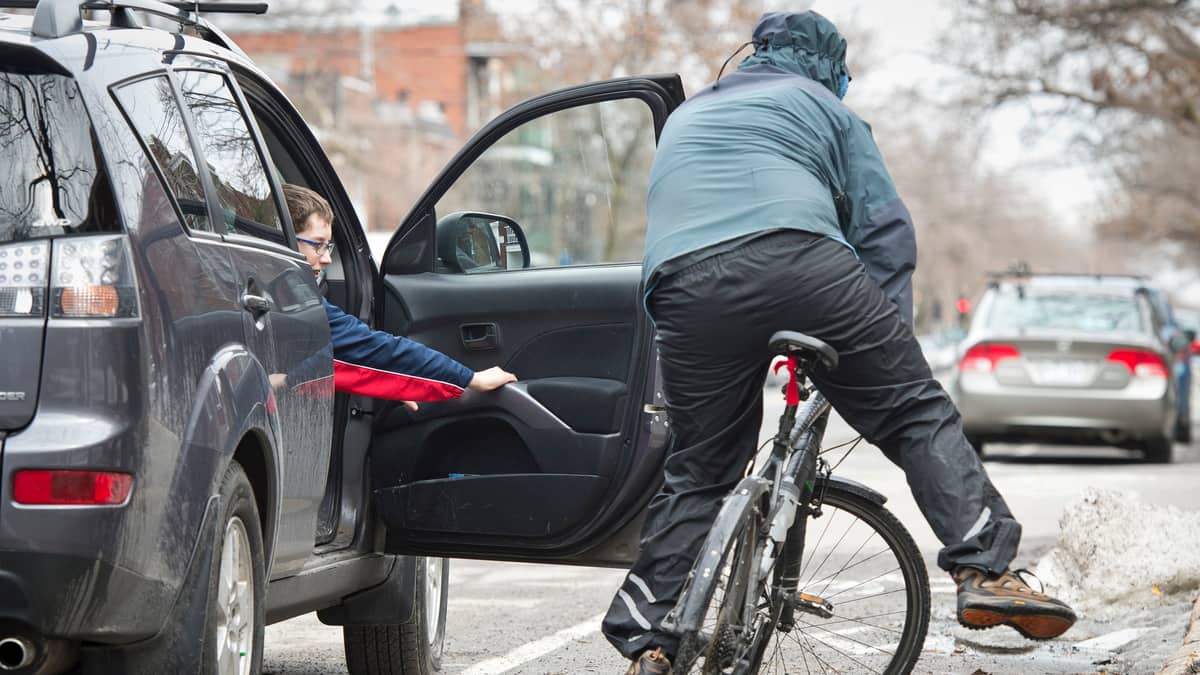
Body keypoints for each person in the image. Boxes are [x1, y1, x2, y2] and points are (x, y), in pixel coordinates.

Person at [605, 11, 1076, 674]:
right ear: (825, 63)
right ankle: (986, 569)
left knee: (701, 467)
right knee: (914, 410)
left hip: (683, 283)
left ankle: (651, 635)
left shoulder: (687, 117)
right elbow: (884, 234)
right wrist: (883, 349)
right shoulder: (824, 107)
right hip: (800, 260)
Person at [278, 183, 516, 405]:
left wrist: (394, 384)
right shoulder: (288, 296)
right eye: (317, 244)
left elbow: (333, 362)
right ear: (283, 238)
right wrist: (470, 379)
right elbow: (367, 348)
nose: (328, 258)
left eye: (328, 247)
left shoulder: (285, 293)